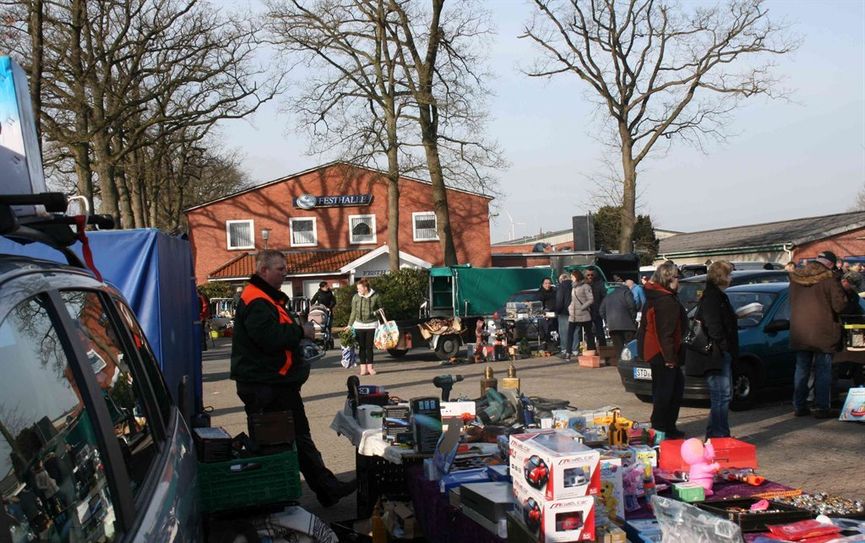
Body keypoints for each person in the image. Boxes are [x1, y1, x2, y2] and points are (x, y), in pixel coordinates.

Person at [231, 250, 355, 507]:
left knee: (296, 436)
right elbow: (269, 337)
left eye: (285, 267)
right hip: (266, 385)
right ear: (263, 270)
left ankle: (325, 489)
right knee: (279, 442)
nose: (285, 272)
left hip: (275, 384)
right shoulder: (256, 300)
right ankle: (285, 496)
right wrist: (301, 331)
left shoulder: (266, 298)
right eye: (279, 268)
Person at [789, 250, 847, 419]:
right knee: (823, 371)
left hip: (800, 332)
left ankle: (799, 406)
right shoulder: (829, 280)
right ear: (830, 264)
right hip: (823, 332)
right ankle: (822, 407)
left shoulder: (795, 280)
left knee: (801, 370)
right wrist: (846, 292)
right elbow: (840, 307)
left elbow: (791, 303)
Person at [637, 261, 688, 440]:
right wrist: (670, 358)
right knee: (666, 392)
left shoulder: (656, 296)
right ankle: (661, 429)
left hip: (655, 351)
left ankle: (666, 426)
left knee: (670, 389)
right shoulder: (665, 300)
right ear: (669, 279)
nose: (679, 281)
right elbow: (664, 332)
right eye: (677, 278)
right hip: (662, 353)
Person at [698, 261, 739, 438]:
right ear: (721, 277)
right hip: (716, 353)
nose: (731, 279)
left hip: (720, 351)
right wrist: (723, 345)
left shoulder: (719, 296)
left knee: (723, 395)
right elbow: (714, 326)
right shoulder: (712, 297)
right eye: (728, 275)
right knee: (721, 395)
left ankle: (715, 432)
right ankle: (719, 434)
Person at [348, 278, 383, 376]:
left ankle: (370, 368)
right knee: (361, 347)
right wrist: (349, 325)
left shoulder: (376, 296)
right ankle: (363, 368)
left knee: (369, 347)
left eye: (359, 288)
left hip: (371, 325)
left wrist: (374, 313)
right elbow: (353, 312)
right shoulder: (355, 297)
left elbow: (381, 308)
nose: (358, 290)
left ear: (365, 288)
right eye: (357, 288)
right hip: (358, 325)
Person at [599, 282, 637, 361]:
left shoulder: (608, 296)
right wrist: (633, 318)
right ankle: (632, 362)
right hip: (628, 325)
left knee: (618, 347)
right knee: (631, 345)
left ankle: (621, 363)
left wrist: (607, 321)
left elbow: (601, 311)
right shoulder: (626, 292)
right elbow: (632, 306)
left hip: (613, 326)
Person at [565, 269, 594, 360]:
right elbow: (573, 300)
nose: (571, 278)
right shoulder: (573, 287)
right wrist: (570, 307)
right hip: (573, 314)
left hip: (584, 313)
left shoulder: (586, 286)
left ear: (576, 276)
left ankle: (591, 351)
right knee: (570, 333)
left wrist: (582, 307)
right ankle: (568, 352)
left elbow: (591, 299)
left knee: (589, 333)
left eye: (572, 276)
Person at [555, 272, 579, 355]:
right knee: (575, 331)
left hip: (564, 312)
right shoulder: (576, 285)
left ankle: (565, 349)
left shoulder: (561, 286)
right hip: (576, 311)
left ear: (561, 280)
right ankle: (575, 349)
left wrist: (557, 311)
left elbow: (559, 300)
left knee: (564, 331)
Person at [584, 269, 607, 348]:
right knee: (588, 331)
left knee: (599, 330)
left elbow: (604, 297)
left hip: (597, 310)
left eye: (591, 275)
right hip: (587, 311)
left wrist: (601, 308)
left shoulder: (599, 284)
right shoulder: (583, 285)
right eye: (588, 275)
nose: (590, 276)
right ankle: (590, 348)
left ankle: (602, 348)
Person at [537, 277, 557, 348]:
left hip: (555, 314)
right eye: (545, 283)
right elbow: (539, 305)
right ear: (542, 284)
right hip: (545, 315)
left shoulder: (554, 292)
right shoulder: (540, 293)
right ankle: (547, 343)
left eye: (549, 283)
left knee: (554, 330)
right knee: (546, 329)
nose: (547, 285)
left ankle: (555, 343)